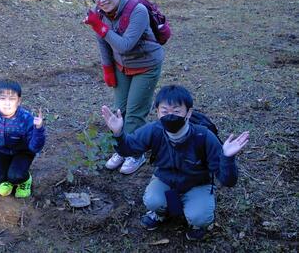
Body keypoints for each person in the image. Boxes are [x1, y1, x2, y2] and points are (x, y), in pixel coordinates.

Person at [101, 85, 249, 240]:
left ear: (189, 113)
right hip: (166, 180)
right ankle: (159, 213)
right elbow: (128, 149)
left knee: (199, 217)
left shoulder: (203, 136)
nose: (170, 116)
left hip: (197, 183)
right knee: (153, 201)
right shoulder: (154, 130)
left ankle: (196, 223)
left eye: (177, 111)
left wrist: (227, 158)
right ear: (157, 112)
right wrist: (118, 133)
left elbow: (228, 181)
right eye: (164, 111)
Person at [83, 0, 164, 174]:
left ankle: (136, 153)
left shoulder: (137, 11)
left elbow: (125, 45)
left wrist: (100, 27)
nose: (101, 1)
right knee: (119, 110)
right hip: (122, 67)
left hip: (146, 65)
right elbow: (103, 43)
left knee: (135, 113)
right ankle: (122, 147)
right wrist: (107, 68)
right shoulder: (99, 12)